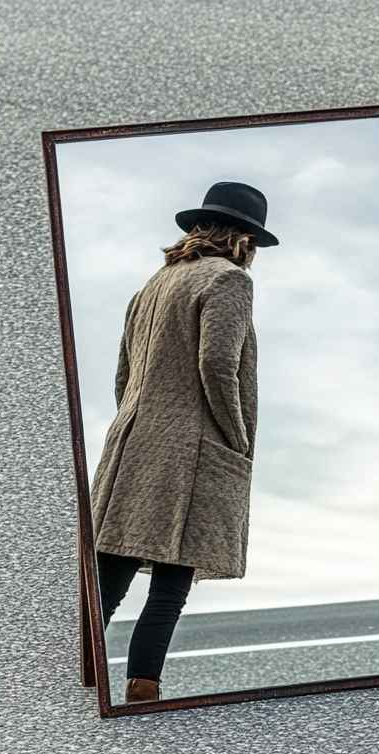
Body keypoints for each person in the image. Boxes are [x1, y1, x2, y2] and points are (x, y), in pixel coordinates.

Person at [88, 181, 278, 705]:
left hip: (131, 445)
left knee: (110, 574)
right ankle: (143, 693)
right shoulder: (229, 281)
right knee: (170, 583)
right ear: (243, 237)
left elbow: (124, 374)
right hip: (191, 450)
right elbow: (217, 363)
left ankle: (73, 685)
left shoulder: (152, 284)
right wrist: (235, 436)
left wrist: (138, 422)